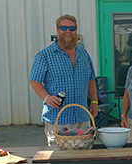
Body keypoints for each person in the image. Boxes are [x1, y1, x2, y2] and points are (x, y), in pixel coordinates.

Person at [29, 14, 98, 146]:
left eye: (72, 28)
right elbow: (34, 81)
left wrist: (94, 101)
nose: (68, 31)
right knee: (59, 160)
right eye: (64, 28)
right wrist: (47, 98)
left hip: (82, 117)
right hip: (58, 119)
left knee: (84, 157)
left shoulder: (83, 53)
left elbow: (91, 79)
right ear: (57, 29)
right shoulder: (44, 55)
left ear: (76, 30)